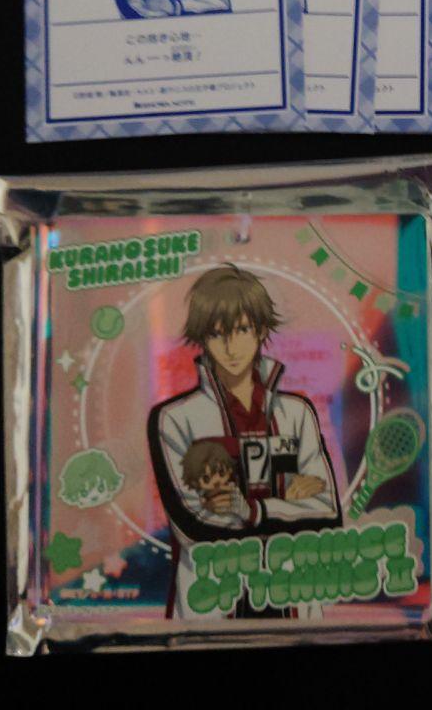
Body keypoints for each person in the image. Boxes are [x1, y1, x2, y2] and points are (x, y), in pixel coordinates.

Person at [147, 264, 341, 619]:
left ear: (261, 330)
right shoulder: (174, 419)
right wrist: (287, 506)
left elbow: (326, 513)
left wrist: (250, 511)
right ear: (202, 337)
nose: (230, 346)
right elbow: (193, 524)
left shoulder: (297, 413)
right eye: (217, 333)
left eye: (241, 329)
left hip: (295, 608)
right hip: (210, 608)